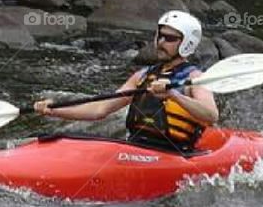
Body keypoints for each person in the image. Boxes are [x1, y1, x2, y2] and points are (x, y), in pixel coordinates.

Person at [33, 11, 218, 151]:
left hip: (174, 152)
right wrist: (55, 110)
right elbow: (99, 109)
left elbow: (211, 115)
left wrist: (173, 95)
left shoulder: (195, 79)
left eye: (169, 38)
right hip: (135, 148)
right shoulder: (142, 76)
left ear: (187, 43)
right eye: (159, 35)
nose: (161, 42)